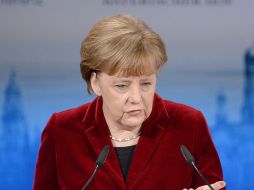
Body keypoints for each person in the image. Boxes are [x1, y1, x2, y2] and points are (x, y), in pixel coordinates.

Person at [33, 14, 226, 190]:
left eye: (146, 83)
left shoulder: (189, 124)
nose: (136, 98)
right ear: (95, 83)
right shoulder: (62, 130)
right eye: (122, 85)